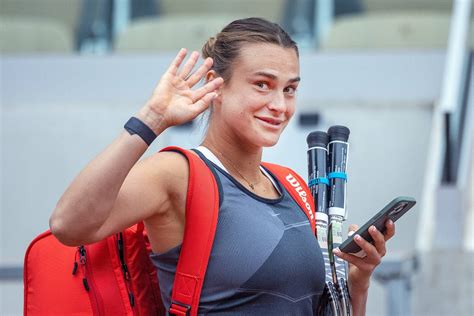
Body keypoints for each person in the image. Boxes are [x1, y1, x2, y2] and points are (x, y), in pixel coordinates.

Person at [50, 17, 395, 315]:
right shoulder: (178, 174)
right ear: (217, 85)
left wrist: (357, 282)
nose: (279, 105)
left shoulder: (292, 186)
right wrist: (152, 119)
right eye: (263, 85)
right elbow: (68, 224)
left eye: (289, 90)